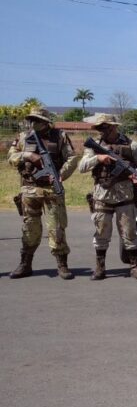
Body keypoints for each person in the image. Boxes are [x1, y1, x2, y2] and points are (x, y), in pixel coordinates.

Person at [8, 107, 76, 279]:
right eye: (31, 119)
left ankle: (62, 265)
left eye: (37, 120)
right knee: (30, 227)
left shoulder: (59, 136)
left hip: (52, 189)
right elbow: (11, 157)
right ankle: (25, 264)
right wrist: (27, 155)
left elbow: (72, 158)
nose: (33, 123)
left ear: (45, 122)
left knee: (57, 228)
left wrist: (60, 175)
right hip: (30, 188)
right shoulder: (23, 137)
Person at [78, 113, 137, 280]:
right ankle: (100, 267)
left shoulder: (132, 145)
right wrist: (98, 158)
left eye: (106, 127)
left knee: (129, 232)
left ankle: (134, 267)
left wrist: (135, 173)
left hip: (125, 194)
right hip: (102, 194)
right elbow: (82, 167)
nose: (102, 131)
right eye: (100, 128)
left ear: (114, 127)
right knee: (101, 232)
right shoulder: (94, 145)